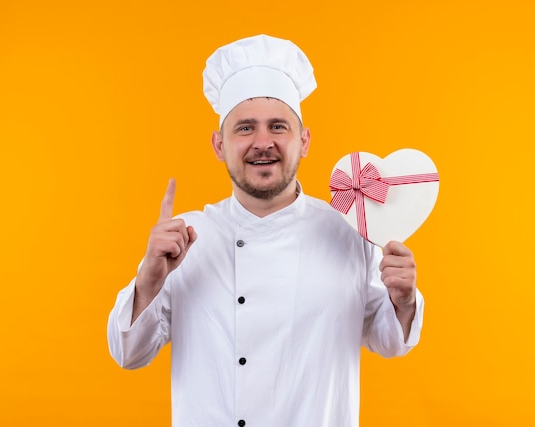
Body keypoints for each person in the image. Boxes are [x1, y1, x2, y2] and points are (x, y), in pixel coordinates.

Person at [107, 34, 424, 427]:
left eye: (278, 126)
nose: (263, 142)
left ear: (304, 141)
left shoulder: (349, 232)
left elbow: (390, 341)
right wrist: (148, 283)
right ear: (218, 144)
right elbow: (129, 354)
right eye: (244, 128)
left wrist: (404, 300)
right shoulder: (183, 238)